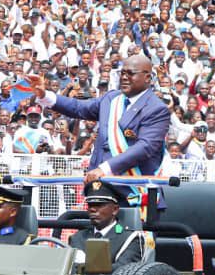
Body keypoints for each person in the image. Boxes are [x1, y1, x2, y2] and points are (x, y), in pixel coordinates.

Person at [25, 54, 170, 189]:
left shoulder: (157, 108)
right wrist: (44, 95)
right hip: (100, 187)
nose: (125, 77)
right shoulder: (111, 98)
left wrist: (106, 168)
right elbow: (78, 107)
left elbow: (145, 147)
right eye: (122, 73)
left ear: (148, 78)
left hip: (133, 189)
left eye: (131, 73)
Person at [68, 180, 144, 268]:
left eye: (99, 205)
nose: (92, 209)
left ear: (115, 210)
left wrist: (85, 267)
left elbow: (125, 272)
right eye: (90, 205)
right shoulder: (77, 238)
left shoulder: (129, 238)